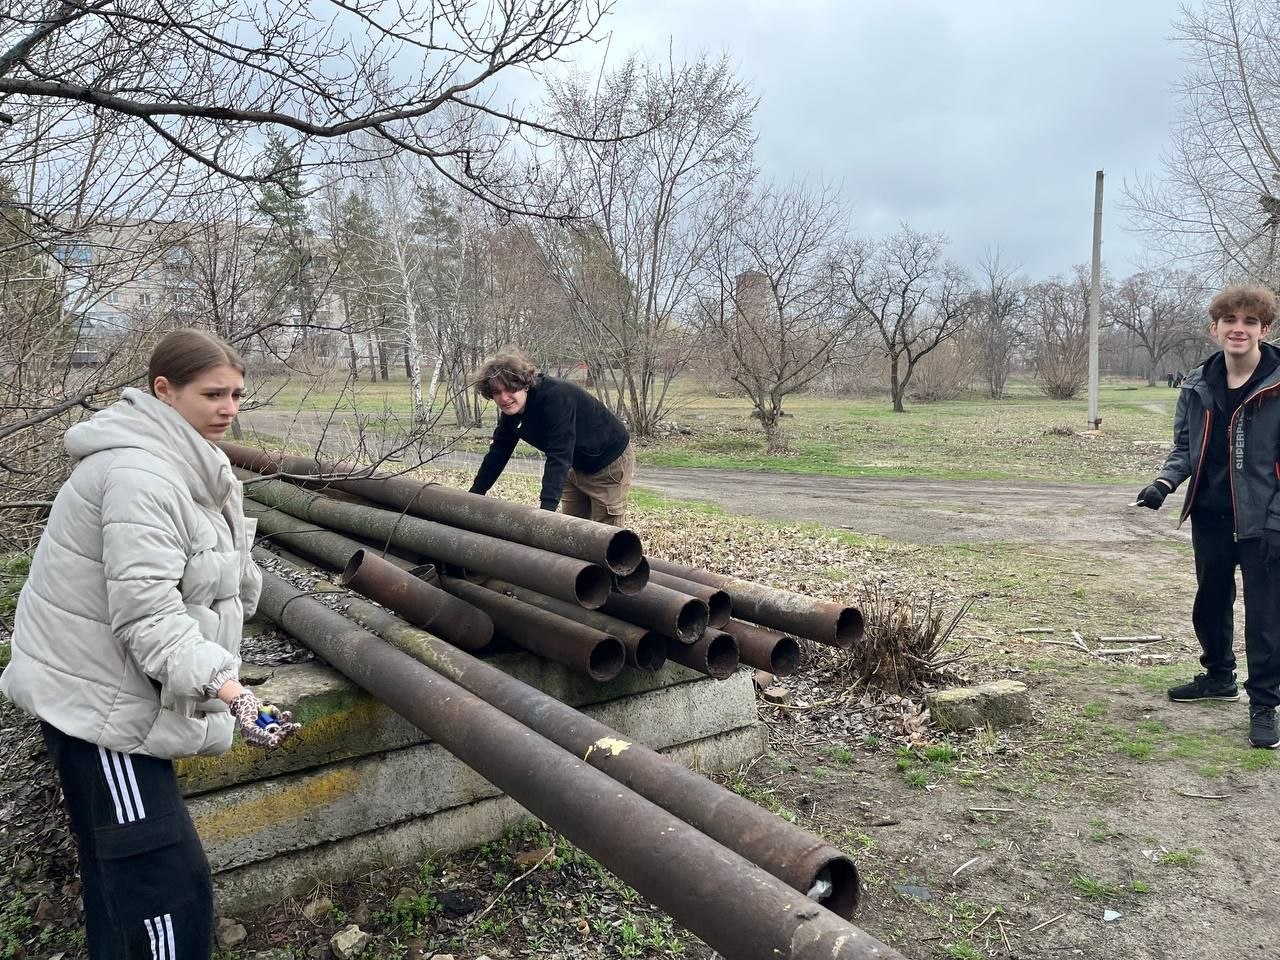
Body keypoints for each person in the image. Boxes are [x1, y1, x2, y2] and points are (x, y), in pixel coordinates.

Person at [0, 329, 301, 959]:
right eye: (212, 393)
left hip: (104, 688)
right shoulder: (142, 474)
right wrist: (232, 691)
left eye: (237, 394)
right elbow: (148, 617)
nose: (229, 408)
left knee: (123, 882)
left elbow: (205, 582)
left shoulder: (185, 462)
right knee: (164, 890)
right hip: (102, 706)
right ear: (164, 391)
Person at [1135, 283, 1280, 749]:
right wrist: (1164, 483)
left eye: (1250, 321)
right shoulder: (1198, 383)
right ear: (1214, 328)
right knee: (1211, 601)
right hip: (1211, 515)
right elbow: (1185, 447)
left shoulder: (1276, 385)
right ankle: (1219, 676)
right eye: (1230, 321)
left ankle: (1264, 705)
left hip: (1265, 522)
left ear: (1264, 329)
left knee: (1264, 617)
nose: (1239, 329)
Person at [468, 346, 635, 525]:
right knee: (571, 528)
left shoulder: (555, 398)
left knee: (605, 535)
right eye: (497, 392)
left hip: (608, 462)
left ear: (524, 384)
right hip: (574, 464)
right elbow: (498, 453)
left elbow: (559, 454)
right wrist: (474, 496)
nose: (504, 398)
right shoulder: (511, 413)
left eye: (509, 389)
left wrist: (545, 514)